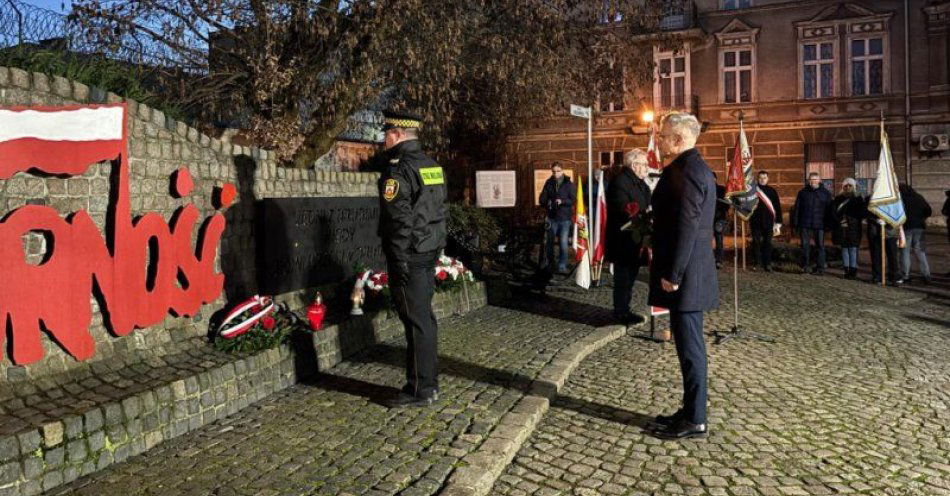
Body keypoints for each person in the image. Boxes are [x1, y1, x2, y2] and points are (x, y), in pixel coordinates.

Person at [648, 112, 718, 440]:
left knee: (690, 348)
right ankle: (691, 409)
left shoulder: (688, 171)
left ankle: (696, 418)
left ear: (678, 139)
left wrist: (673, 273)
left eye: (663, 136)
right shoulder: (690, 167)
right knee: (687, 345)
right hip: (689, 272)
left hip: (687, 275)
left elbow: (687, 226)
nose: (659, 141)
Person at [376, 110, 447, 408]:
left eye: (386, 134)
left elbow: (398, 221)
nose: (383, 140)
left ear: (397, 135)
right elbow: (438, 210)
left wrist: (400, 259)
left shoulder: (398, 171)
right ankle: (425, 383)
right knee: (424, 319)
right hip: (428, 250)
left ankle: (421, 388)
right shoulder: (432, 166)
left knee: (417, 321)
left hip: (409, 255)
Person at [605, 149, 651, 326]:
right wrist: (640, 215)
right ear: (634, 165)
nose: (647, 168)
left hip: (635, 239)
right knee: (623, 279)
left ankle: (625, 309)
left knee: (630, 277)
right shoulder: (620, 182)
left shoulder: (640, 183)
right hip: (622, 239)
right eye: (644, 164)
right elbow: (623, 208)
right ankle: (621, 312)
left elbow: (648, 202)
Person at [791, 172, 833, 275]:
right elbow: (797, 209)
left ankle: (820, 268)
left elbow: (829, 211)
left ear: (820, 181)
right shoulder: (802, 193)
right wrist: (795, 223)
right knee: (805, 246)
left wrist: (829, 224)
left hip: (820, 225)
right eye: (811, 179)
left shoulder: (826, 193)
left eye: (815, 179)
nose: (813, 181)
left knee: (820, 247)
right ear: (808, 181)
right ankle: (805, 267)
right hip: (805, 224)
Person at [539, 162, 575, 273]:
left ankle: (562, 265)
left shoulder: (568, 184)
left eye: (558, 171)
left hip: (564, 218)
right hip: (552, 217)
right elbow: (542, 198)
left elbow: (573, 200)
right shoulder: (549, 183)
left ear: (562, 171)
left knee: (563, 243)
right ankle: (551, 264)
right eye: (553, 171)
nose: (556, 173)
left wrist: (563, 201)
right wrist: (547, 201)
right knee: (549, 242)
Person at [748, 171, 782, 272]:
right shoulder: (753, 191)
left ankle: (767, 264)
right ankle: (757, 263)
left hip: (768, 221)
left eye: (764, 178)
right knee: (756, 243)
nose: (762, 179)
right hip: (755, 221)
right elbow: (747, 204)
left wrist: (778, 222)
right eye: (761, 178)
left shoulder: (772, 191)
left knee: (768, 243)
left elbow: (777, 207)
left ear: (768, 179)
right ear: (757, 179)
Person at [830, 178, 864, 279]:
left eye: (850, 186)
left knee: (853, 249)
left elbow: (860, 214)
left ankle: (853, 270)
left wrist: (850, 219)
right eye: (846, 186)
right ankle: (846, 269)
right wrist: (839, 220)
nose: (848, 187)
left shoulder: (858, 199)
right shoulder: (838, 199)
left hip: (854, 228)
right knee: (844, 249)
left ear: (853, 187)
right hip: (841, 228)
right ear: (843, 187)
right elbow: (833, 212)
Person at [898, 183, 932, 284]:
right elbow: (929, 211)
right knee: (920, 252)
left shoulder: (901, 199)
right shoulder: (919, 197)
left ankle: (906, 275)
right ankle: (926, 275)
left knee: (905, 252)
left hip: (907, 228)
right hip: (919, 227)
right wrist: (922, 218)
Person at [866, 209, 901, 285]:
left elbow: (898, 213)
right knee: (877, 255)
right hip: (876, 232)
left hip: (890, 232)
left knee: (892, 255)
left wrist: (888, 222)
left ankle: (894, 277)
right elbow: (868, 212)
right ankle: (878, 276)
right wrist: (875, 219)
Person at [713, 182, 729, 270]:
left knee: (719, 240)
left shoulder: (721, 189)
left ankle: (719, 260)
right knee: (705, 241)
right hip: (707, 219)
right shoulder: (704, 187)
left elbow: (727, 203)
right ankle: (708, 260)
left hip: (719, 218)